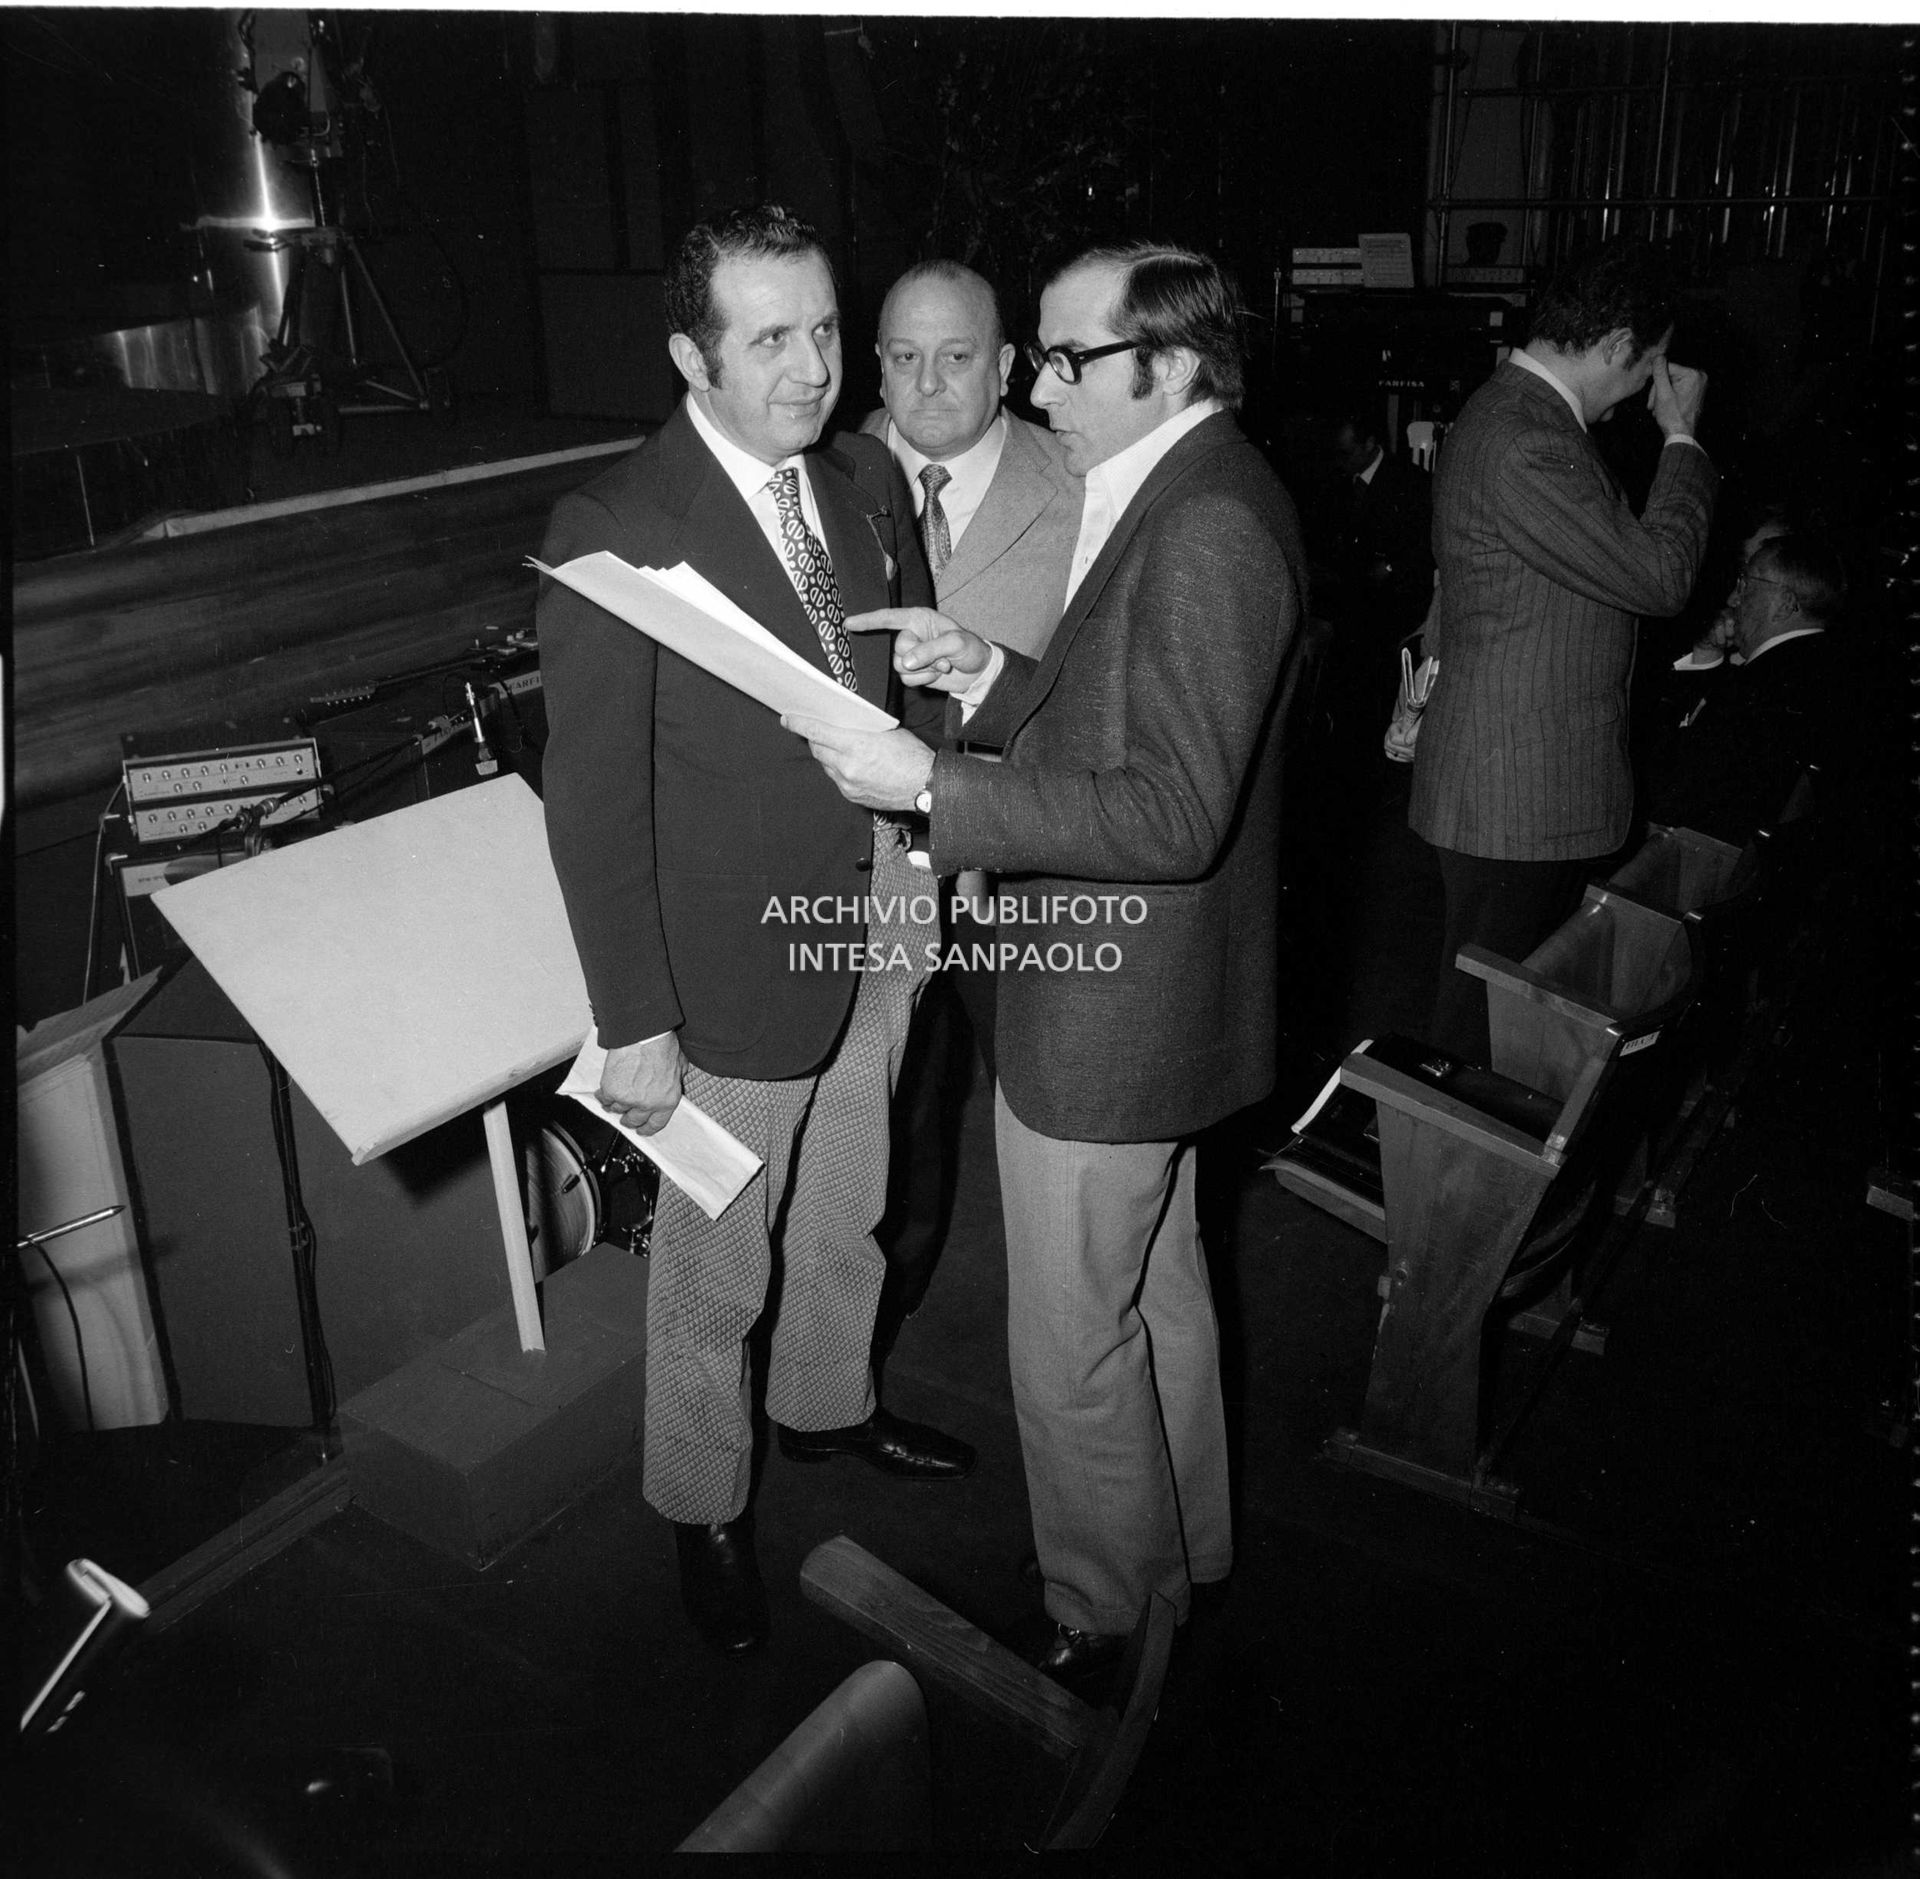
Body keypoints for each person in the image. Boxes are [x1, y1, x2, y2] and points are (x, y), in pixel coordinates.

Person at [784, 241, 1306, 1693]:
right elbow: (1121, 728)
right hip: (1160, 1001)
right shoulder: (1198, 489)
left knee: (1075, 1342)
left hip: (1109, 1015)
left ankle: (1102, 1623)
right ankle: (1183, 1561)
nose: (1042, 380)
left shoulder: (1201, 523)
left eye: (1071, 357)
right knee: (1163, 1296)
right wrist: (989, 678)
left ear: (1175, 365)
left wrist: (929, 785)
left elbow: (1171, 811)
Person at [536, 204, 973, 1660]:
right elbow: (592, 802)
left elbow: (887, 701)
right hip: (726, 964)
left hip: (877, 917)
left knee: (850, 1194)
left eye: (826, 329)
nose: (814, 367)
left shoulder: (857, 480)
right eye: (770, 337)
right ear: (689, 353)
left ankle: (829, 1406)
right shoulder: (616, 526)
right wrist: (634, 1014)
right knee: (716, 1260)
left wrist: (921, 854)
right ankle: (704, 1500)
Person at [1409, 242, 1717, 1064]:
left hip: (1521, 785)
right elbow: (1659, 576)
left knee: (1504, 1022)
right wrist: (1684, 441)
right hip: (1514, 793)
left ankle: (1472, 1183)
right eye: (1650, 364)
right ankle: (1450, 1194)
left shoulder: (1523, 419)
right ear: (1620, 346)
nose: (1649, 384)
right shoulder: (1527, 440)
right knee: (1482, 1034)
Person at [858, 259, 1083, 1362]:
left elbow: (1109, 692)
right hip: (865, 872)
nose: (927, 384)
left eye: (956, 358)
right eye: (902, 357)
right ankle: (864, 1347)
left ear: (1005, 367)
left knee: (1049, 1115)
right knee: (891, 1116)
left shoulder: (1080, 481)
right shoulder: (823, 476)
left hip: (1028, 868)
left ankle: (1056, 1344)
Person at [1641, 532, 1845, 845]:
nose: (1734, 599)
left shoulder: (1760, 687)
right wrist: (1706, 656)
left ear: (1785, 604)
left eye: (1745, 584)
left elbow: (1668, 791)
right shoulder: (1821, 673)